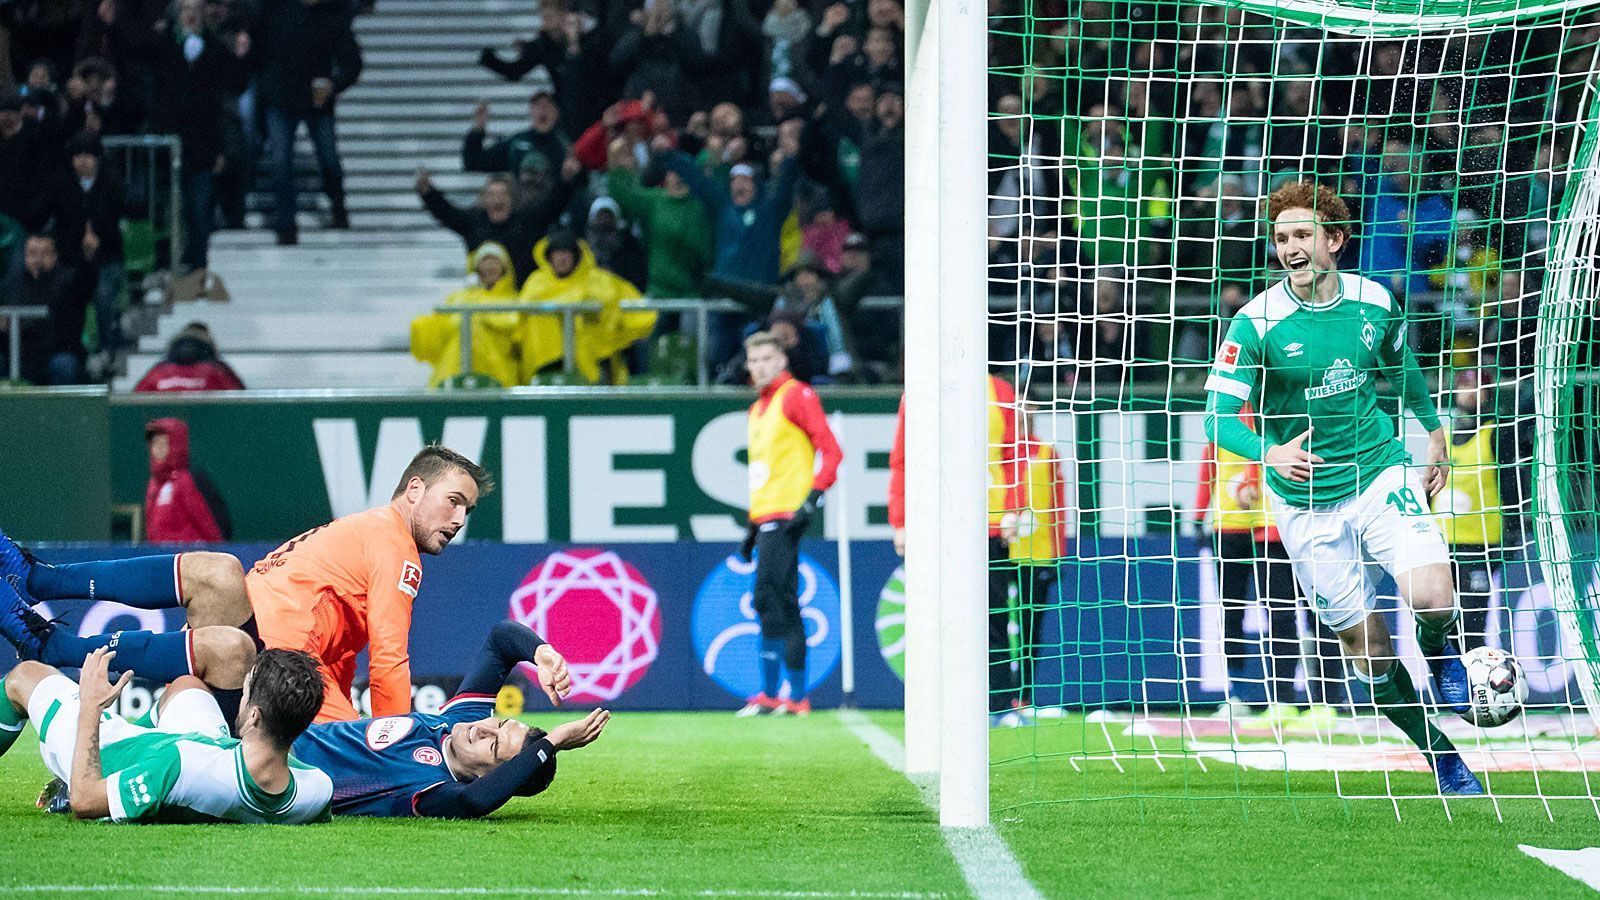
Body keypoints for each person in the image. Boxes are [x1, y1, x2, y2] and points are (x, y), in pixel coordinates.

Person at [1203, 179, 1482, 795]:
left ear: (1334, 239)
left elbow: (1399, 366)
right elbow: (1217, 416)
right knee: (1370, 652)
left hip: (1377, 470)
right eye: (1281, 238)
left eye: (1302, 235)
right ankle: (1439, 752)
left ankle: (1440, 655)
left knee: (1434, 596)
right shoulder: (1257, 322)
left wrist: (1432, 430)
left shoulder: (1375, 301)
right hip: (1304, 505)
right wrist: (1269, 450)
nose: (1290, 248)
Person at [0, 445, 492, 724]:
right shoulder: (395, 547)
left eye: (466, 510)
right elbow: (389, 657)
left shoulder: (367, 529)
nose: (458, 518)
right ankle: (46, 608)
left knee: (219, 575)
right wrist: (395, 741)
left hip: (264, 650)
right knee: (355, 756)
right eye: (452, 501)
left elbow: (341, 654)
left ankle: (46, 604)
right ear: (413, 490)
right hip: (272, 659)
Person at [289, 619, 608, 818]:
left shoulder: (433, 789)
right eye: (498, 724)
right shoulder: (462, 719)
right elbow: (501, 639)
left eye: (494, 748)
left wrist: (553, 743)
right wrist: (543, 654)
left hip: (273, 770)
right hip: (280, 727)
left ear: (489, 776)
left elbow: (474, 803)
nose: (483, 730)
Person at [0, 637, 332, 823]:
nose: (240, 699)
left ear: (255, 716)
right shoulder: (317, 789)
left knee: (24, 677)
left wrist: (90, 706)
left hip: (111, 754)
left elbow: (86, 802)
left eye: (244, 692)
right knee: (188, 686)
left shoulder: (182, 765)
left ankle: (71, 769)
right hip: (211, 749)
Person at [734, 331, 842, 717]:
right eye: (753, 360)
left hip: (787, 515)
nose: (759, 366)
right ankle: (789, 696)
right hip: (766, 516)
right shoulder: (756, 410)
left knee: (769, 597)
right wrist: (751, 528)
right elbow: (764, 475)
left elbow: (831, 450)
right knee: (779, 601)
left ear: (782, 360)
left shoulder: (796, 396)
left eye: (766, 358)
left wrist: (813, 496)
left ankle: (782, 695)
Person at [1195, 403, 1303, 726]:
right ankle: (1236, 693)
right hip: (1229, 527)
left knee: (1279, 610)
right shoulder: (1220, 423)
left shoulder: (1268, 417)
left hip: (1264, 525)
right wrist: (1198, 515)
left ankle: (1289, 696)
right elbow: (1208, 471)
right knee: (1232, 611)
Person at [256, 0, 363, 244]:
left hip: (318, 102)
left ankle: (338, 207)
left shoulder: (332, 15)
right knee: (280, 162)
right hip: (281, 99)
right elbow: (260, 51)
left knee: (329, 160)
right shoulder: (277, 12)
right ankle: (286, 224)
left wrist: (334, 85)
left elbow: (353, 62)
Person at [1431, 368, 1514, 648]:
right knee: (1443, 624)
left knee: (1472, 622)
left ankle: (1477, 685)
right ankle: (1456, 687)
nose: (1468, 391)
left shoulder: (1495, 434)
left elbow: (1513, 485)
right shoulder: (1442, 435)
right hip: (1441, 545)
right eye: (1464, 384)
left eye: (1476, 385)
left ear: (1488, 392)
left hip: (1479, 545)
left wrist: (1512, 529)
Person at [515, 229, 654, 385]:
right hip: (546, 367)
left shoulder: (598, 280)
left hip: (596, 362)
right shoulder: (536, 283)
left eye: (566, 252)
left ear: (576, 254)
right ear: (549, 256)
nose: (562, 258)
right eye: (557, 253)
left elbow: (635, 307)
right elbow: (521, 314)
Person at [411, 242, 522, 388]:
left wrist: (483, 320)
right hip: (454, 369)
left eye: (495, 261)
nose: (490, 267)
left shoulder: (514, 300)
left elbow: (516, 332)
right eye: (485, 261)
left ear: (504, 266)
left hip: (498, 371)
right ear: (476, 267)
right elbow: (439, 330)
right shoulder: (458, 298)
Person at [144, 417, 231, 543]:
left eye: (164, 443)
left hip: (191, 560)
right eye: (155, 443)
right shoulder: (154, 485)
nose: (158, 449)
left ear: (176, 445)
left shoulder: (187, 481)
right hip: (164, 560)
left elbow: (210, 527)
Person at [132, 322, 247, 392]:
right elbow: (244, 406)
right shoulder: (218, 371)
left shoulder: (157, 372)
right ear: (211, 346)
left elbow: (131, 406)